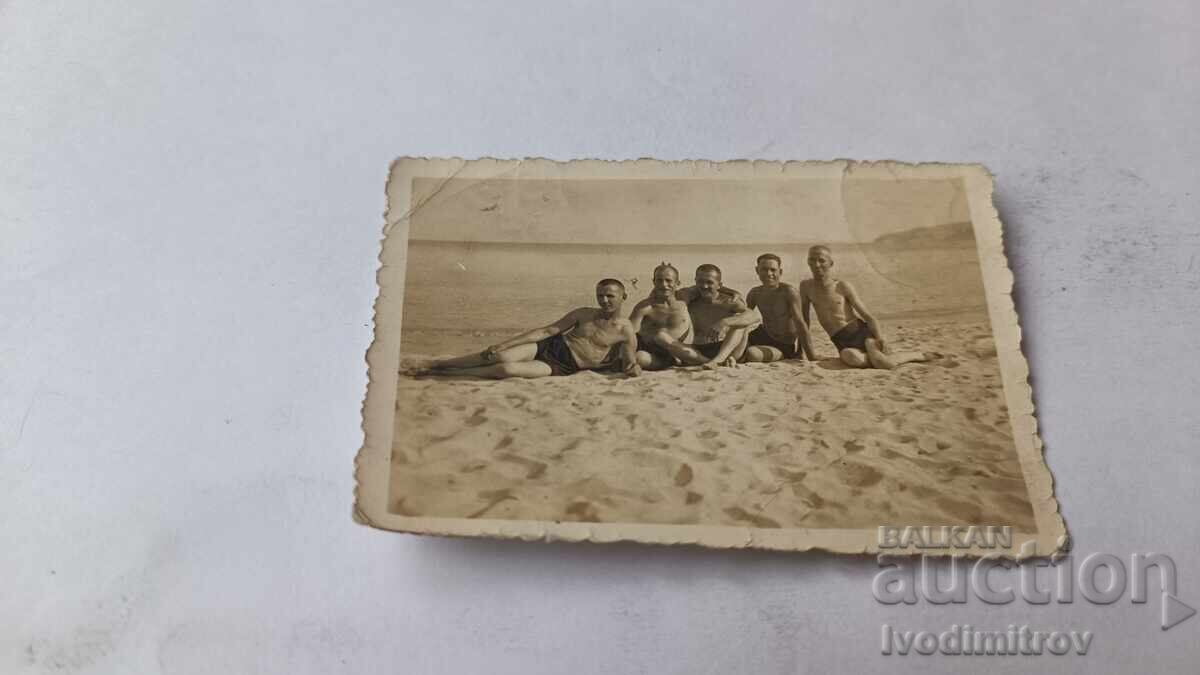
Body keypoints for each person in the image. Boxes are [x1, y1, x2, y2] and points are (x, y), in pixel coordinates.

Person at [422, 279, 641, 379]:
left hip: (565, 366)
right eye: (600, 295)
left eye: (610, 296)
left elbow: (630, 357)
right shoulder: (582, 313)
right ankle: (439, 364)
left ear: (623, 297)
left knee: (506, 370)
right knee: (498, 356)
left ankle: (451, 373)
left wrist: (632, 368)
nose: (604, 300)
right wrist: (503, 343)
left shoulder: (625, 330)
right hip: (550, 346)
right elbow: (547, 331)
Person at [798, 245, 938, 369]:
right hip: (840, 340)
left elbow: (868, 316)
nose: (816, 264)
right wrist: (803, 350)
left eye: (821, 260)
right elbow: (803, 322)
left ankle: (918, 355)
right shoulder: (806, 287)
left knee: (884, 364)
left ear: (830, 263)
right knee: (851, 358)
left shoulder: (842, 286)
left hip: (861, 333)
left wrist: (880, 338)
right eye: (812, 260)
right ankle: (879, 358)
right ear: (807, 262)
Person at [676, 264, 762, 369]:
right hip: (700, 350)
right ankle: (718, 362)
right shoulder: (690, 299)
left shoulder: (729, 301)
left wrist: (724, 322)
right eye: (700, 281)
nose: (704, 286)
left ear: (719, 285)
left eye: (709, 282)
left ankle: (719, 360)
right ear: (695, 281)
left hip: (726, 348)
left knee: (741, 324)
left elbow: (754, 316)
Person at [743, 253, 817, 362]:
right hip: (762, 334)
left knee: (752, 354)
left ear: (780, 272)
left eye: (773, 270)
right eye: (764, 269)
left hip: (783, 344)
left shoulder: (788, 292)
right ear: (757, 270)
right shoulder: (754, 293)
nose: (769, 274)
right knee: (728, 344)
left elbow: (801, 324)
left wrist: (806, 354)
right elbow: (744, 319)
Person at [628, 262, 693, 370]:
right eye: (659, 280)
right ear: (654, 282)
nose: (664, 284)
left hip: (683, 352)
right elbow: (629, 336)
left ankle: (708, 362)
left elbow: (707, 285)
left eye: (669, 280)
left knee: (663, 337)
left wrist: (729, 292)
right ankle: (701, 362)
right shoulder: (644, 307)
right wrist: (630, 363)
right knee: (640, 357)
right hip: (657, 356)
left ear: (678, 283)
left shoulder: (685, 297)